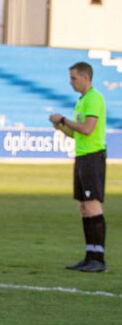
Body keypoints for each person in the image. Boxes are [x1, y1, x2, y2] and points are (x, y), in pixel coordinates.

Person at [50, 61, 107, 273]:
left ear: (85, 77)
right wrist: (62, 127)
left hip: (93, 157)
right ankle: (90, 255)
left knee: (92, 205)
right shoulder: (82, 101)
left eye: (73, 78)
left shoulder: (94, 98)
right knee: (84, 208)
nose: (71, 82)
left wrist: (64, 119)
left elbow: (88, 129)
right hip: (82, 156)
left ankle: (98, 258)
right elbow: (77, 133)